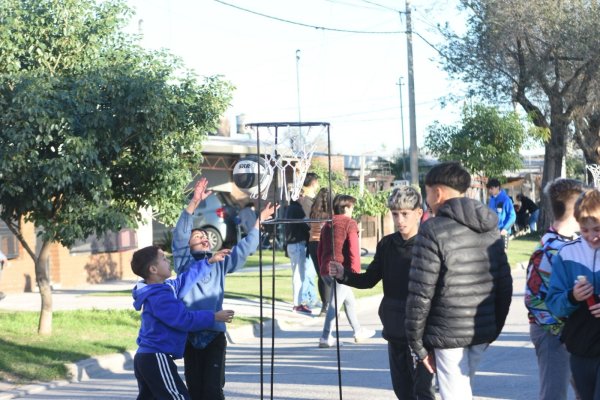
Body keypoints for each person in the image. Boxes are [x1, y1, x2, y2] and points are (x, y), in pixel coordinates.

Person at [405, 162, 513, 400]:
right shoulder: (490, 227)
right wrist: (494, 328)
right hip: (480, 330)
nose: (427, 198)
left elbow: (421, 293)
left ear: (437, 192)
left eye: (427, 192)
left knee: (455, 395)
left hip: (447, 333)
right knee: (462, 391)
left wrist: (416, 343)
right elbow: (504, 284)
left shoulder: (432, 229)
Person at [173, 177, 277, 400]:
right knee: (195, 390)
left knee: (212, 390)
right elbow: (180, 235)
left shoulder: (219, 261)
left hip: (214, 335)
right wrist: (194, 202)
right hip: (191, 336)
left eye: (204, 236)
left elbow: (243, 250)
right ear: (189, 245)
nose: (202, 237)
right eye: (197, 235)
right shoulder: (184, 263)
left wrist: (258, 223)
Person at [330, 186, 434, 399]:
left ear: (418, 213)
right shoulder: (387, 245)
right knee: (402, 391)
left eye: (405, 214)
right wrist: (344, 275)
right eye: (395, 214)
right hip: (394, 328)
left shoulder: (429, 245)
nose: (400, 220)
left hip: (423, 333)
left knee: (422, 391)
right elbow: (369, 280)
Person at [130, 245, 235, 400]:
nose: (168, 261)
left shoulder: (165, 288)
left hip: (147, 358)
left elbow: (185, 279)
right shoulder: (160, 297)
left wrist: (209, 262)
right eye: (164, 259)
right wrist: (213, 317)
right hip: (155, 357)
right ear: (153, 269)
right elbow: (184, 320)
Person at [524, 178, 583, 400]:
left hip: (570, 334)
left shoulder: (570, 243)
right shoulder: (551, 249)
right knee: (554, 394)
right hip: (553, 334)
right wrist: (564, 331)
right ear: (577, 210)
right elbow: (534, 301)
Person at [547, 189, 600, 400]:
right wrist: (572, 297)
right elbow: (553, 303)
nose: (592, 236)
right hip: (581, 345)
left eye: (597, 229)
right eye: (585, 230)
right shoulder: (567, 253)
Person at [317, 194, 375, 347]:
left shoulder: (327, 224)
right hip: (341, 270)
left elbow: (320, 249)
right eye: (352, 207)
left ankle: (358, 331)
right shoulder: (350, 223)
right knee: (335, 304)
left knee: (349, 301)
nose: (353, 210)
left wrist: (322, 267)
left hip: (325, 269)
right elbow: (353, 249)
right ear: (346, 207)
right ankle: (325, 336)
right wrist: (354, 273)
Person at [285, 195, 314, 314]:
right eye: (301, 196)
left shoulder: (290, 209)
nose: (303, 198)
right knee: (299, 275)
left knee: (298, 274)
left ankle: (298, 303)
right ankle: (297, 304)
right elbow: (306, 225)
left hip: (292, 244)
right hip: (297, 244)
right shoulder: (297, 209)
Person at [309, 187, 334, 317]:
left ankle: (325, 306)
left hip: (313, 243)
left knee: (321, 275)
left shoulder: (314, 211)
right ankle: (330, 305)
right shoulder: (331, 213)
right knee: (328, 275)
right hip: (325, 243)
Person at [297, 172, 320, 309]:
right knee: (309, 272)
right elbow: (309, 221)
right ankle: (306, 298)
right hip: (309, 239)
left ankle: (311, 297)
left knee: (311, 271)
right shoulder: (307, 200)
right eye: (317, 182)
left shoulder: (307, 199)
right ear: (313, 183)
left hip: (310, 239)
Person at [486, 178, 516, 249]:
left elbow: (513, 216)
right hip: (493, 231)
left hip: (503, 231)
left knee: (503, 254)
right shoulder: (491, 199)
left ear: (498, 188)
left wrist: (505, 228)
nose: (490, 191)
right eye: (489, 189)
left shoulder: (506, 199)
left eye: (491, 188)